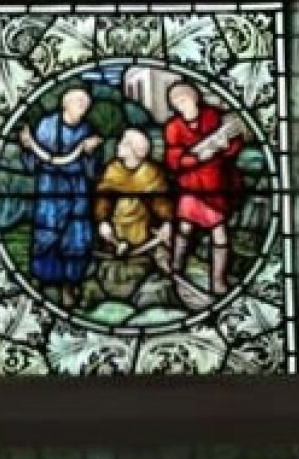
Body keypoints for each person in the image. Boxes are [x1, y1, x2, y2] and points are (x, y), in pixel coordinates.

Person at [18, 85, 103, 307]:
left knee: (77, 238)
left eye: (85, 104)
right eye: (78, 102)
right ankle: (42, 283)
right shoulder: (46, 125)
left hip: (77, 189)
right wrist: (28, 147)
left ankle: (70, 286)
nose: (83, 108)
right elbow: (33, 163)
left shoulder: (88, 130)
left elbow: (93, 171)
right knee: (46, 235)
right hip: (50, 188)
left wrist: (91, 155)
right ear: (65, 104)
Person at [163, 81, 244, 297]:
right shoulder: (173, 127)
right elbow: (173, 160)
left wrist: (227, 148)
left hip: (215, 183)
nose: (180, 104)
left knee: (219, 231)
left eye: (183, 98)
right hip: (190, 183)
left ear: (194, 97)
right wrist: (196, 157)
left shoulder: (213, 117)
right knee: (186, 227)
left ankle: (218, 280)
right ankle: (176, 264)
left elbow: (235, 143)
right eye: (175, 101)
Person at [93, 127, 172, 265]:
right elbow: (103, 199)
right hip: (115, 232)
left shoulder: (150, 173)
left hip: (143, 231)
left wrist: (167, 223)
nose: (118, 145)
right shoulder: (113, 170)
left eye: (123, 143)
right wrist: (103, 222)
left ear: (133, 150)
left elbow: (160, 203)